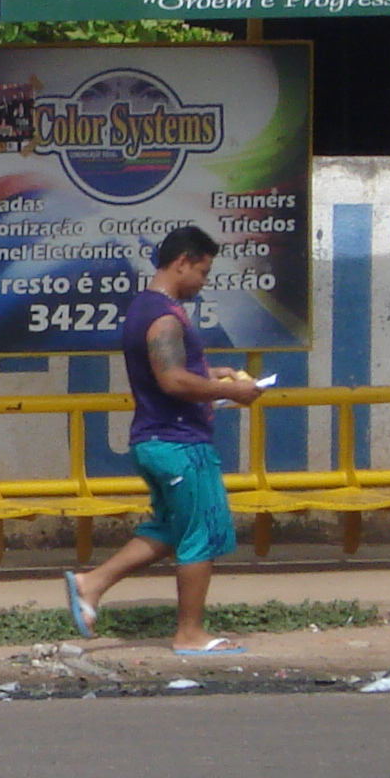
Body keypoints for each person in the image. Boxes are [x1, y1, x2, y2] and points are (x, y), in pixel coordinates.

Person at [64, 226, 276, 657]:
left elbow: (177, 371)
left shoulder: (148, 309)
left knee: (169, 528)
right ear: (182, 262)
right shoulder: (164, 317)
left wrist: (213, 375)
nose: (204, 281)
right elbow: (172, 379)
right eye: (203, 270)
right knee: (202, 532)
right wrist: (231, 392)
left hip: (158, 442)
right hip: (180, 444)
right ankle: (190, 634)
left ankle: (92, 583)